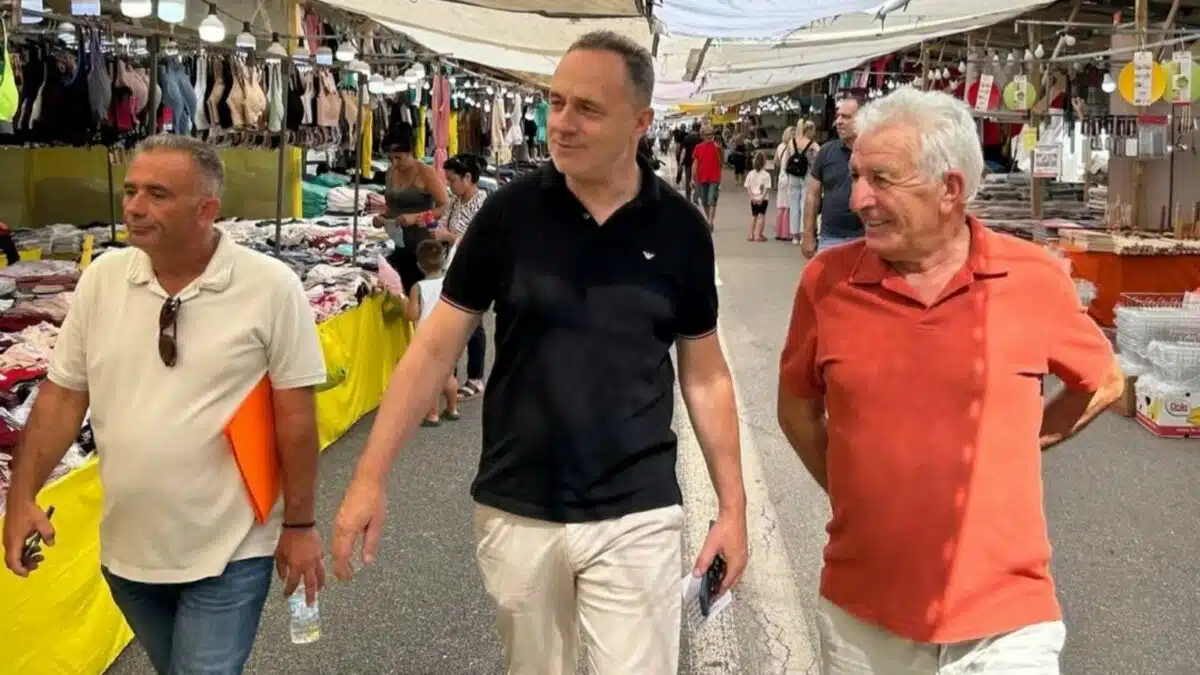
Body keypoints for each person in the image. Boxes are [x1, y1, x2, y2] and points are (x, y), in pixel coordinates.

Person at [332, 30, 748, 675]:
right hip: (518, 503)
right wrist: (369, 477)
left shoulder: (681, 230)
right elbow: (433, 350)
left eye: (589, 108)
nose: (562, 123)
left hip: (638, 507)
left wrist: (733, 508)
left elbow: (706, 376)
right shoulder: (509, 215)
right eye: (556, 102)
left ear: (640, 123)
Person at [777, 88, 1125, 675]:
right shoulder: (826, 282)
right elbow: (796, 411)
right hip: (864, 614)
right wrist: (855, 490)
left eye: (881, 179)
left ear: (949, 190)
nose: (857, 199)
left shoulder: (1033, 277)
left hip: (1007, 620)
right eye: (856, 176)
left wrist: (1017, 443)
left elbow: (1104, 382)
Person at [2, 134, 328, 674]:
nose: (134, 206)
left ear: (207, 210)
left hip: (231, 548)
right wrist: (21, 497)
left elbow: (296, 417)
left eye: (157, 194)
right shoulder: (102, 280)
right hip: (128, 551)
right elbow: (61, 398)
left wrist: (299, 526)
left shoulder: (271, 287)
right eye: (131, 190)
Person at [391, 240, 460, 427]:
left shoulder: (418, 287)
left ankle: (432, 414)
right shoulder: (449, 282)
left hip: (429, 338)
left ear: (419, 265)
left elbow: (412, 315)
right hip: (449, 334)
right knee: (448, 374)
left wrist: (402, 301)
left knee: (429, 378)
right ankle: (453, 408)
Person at [376, 126, 451, 292]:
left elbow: (445, 206)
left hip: (423, 246)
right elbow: (392, 207)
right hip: (400, 243)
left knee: (419, 293)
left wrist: (417, 217)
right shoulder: (391, 172)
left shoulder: (425, 172)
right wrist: (382, 217)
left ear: (410, 152)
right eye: (390, 158)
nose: (394, 163)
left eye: (399, 158)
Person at [440, 153, 489, 399]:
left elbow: (483, 241)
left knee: (473, 324)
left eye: (452, 180)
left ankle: (475, 377)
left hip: (475, 268)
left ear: (468, 177)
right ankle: (451, 376)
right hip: (451, 266)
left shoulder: (484, 204)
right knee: (452, 323)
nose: (449, 185)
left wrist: (451, 238)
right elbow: (445, 223)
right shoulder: (455, 201)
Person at [802, 97, 864, 258]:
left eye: (846, 117)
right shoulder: (826, 152)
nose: (838, 122)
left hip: (867, 238)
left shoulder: (876, 152)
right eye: (838, 116)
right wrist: (808, 234)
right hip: (831, 238)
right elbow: (812, 195)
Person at [786, 120, 819, 246]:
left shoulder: (792, 142)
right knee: (804, 205)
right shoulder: (812, 144)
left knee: (793, 204)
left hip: (793, 175)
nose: (814, 133)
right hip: (806, 174)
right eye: (813, 130)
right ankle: (802, 234)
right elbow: (820, 154)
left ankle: (794, 235)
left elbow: (788, 156)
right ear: (808, 130)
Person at [692, 126, 723, 228]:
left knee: (712, 200)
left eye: (711, 134)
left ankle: (709, 222)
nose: (710, 136)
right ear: (702, 135)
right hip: (701, 178)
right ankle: (709, 220)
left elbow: (721, 162)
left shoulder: (717, 146)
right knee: (704, 201)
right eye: (707, 134)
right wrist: (692, 178)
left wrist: (719, 150)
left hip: (714, 177)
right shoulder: (698, 147)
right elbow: (695, 164)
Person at [743, 151, 771, 242]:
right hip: (763, 198)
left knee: (754, 216)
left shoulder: (751, 173)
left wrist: (751, 197)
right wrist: (762, 198)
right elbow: (766, 188)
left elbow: (747, 186)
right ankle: (758, 235)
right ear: (764, 162)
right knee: (761, 216)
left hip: (753, 198)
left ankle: (751, 234)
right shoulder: (766, 175)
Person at [675, 120, 701, 200]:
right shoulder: (701, 139)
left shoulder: (687, 138)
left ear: (692, 128)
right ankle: (696, 196)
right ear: (699, 128)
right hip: (698, 162)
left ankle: (688, 197)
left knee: (688, 179)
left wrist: (680, 162)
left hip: (688, 162)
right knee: (698, 179)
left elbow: (684, 151)